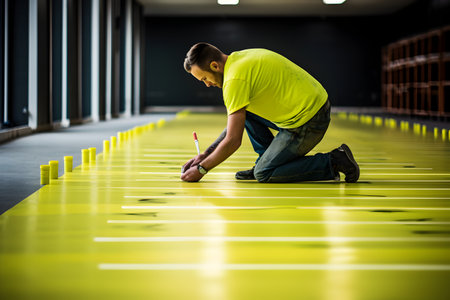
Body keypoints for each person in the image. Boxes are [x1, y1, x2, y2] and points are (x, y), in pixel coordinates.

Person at [181, 42, 359, 183]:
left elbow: (233, 140)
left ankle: (334, 161)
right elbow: (235, 125)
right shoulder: (239, 59)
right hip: (311, 106)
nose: (207, 84)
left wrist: (202, 169)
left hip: (310, 120)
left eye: (204, 78)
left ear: (214, 66)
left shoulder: (234, 80)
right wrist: (206, 154)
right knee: (245, 112)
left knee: (264, 174)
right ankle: (266, 159)